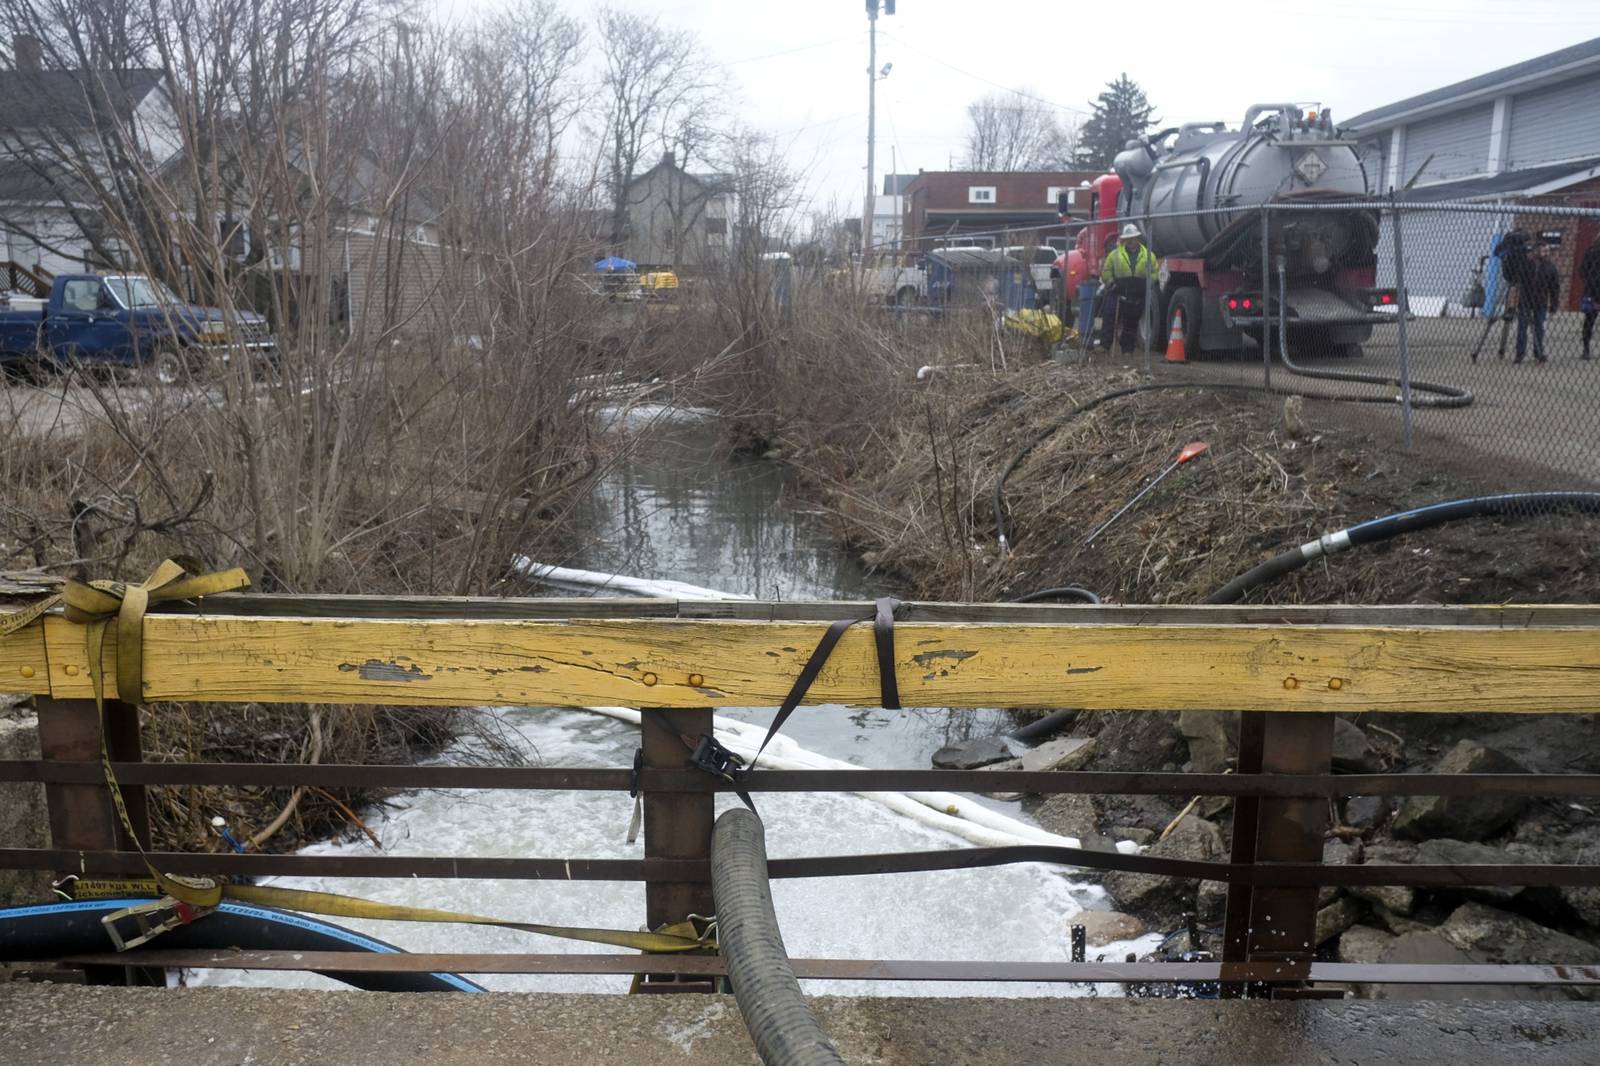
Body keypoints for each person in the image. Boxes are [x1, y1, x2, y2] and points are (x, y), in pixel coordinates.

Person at [1098, 223, 1160, 354]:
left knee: (1131, 322)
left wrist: (1147, 283)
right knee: (1109, 316)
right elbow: (1106, 271)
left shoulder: (1149, 255)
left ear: (1137, 238)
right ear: (1124, 240)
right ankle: (1105, 345)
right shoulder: (1114, 255)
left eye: (1133, 238)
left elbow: (1154, 272)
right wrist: (1110, 283)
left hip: (1137, 293)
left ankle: (1127, 350)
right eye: (1128, 239)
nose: (1130, 241)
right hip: (1117, 291)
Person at [1513, 242, 1561, 364]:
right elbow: (1517, 279)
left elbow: (1554, 287)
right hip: (1525, 300)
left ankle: (1538, 352)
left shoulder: (1550, 267)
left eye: (1547, 251)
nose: (1546, 253)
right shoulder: (1526, 265)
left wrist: (1554, 303)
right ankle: (1520, 353)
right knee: (1522, 327)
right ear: (1536, 251)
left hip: (1541, 301)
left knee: (1539, 327)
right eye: (1543, 250)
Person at [1581, 236, 1600, 361]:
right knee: (1589, 321)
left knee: (1589, 320)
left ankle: (1586, 349)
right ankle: (1586, 349)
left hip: (1591, 291)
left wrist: (1589, 281)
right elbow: (1582, 270)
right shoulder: (1592, 252)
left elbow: (1582, 270)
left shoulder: (1590, 251)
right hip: (1593, 292)